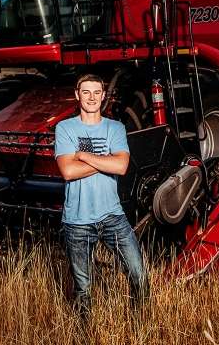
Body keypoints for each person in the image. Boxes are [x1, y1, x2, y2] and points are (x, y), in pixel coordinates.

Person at [54, 73, 149, 318]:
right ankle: (85, 334)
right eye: (86, 92)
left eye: (97, 92)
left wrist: (83, 155)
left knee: (138, 274)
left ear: (104, 96)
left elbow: (122, 167)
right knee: (83, 288)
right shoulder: (65, 128)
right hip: (77, 220)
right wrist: (107, 160)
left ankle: (141, 326)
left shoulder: (115, 128)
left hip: (113, 217)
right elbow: (68, 171)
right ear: (77, 95)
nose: (92, 97)